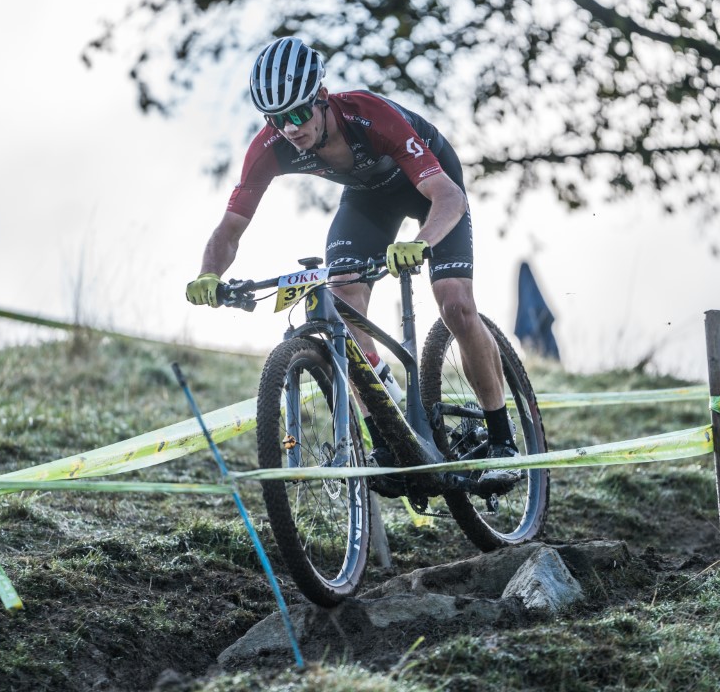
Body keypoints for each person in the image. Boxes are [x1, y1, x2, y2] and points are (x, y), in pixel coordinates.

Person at [185, 36, 518, 483]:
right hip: (367, 201)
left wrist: (421, 241)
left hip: (432, 187)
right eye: (277, 119)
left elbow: (449, 196)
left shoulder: (368, 115)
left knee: (455, 303)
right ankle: (388, 432)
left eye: (298, 114)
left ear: (321, 98)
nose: (290, 128)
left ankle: (502, 438)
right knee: (342, 303)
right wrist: (209, 274)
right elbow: (230, 228)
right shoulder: (272, 145)